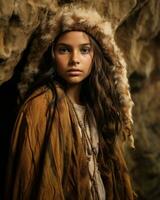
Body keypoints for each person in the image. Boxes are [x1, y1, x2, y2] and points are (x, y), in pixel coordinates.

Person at [5, 4, 135, 200]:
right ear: (52, 56)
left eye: (84, 50)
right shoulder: (39, 107)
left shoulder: (97, 108)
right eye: (64, 50)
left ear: (95, 57)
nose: (75, 59)